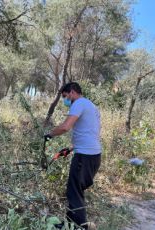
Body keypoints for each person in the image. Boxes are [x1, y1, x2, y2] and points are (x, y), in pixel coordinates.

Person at [44, 82, 101, 230]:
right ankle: (70, 224)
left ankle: (79, 226)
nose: (65, 100)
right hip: (93, 156)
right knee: (75, 190)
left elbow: (65, 127)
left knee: (74, 192)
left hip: (84, 157)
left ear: (73, 92)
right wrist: (70, 148)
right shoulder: (91, 106)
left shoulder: (78, 103)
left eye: (65, 96)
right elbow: (88, 132)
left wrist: (49, 135)